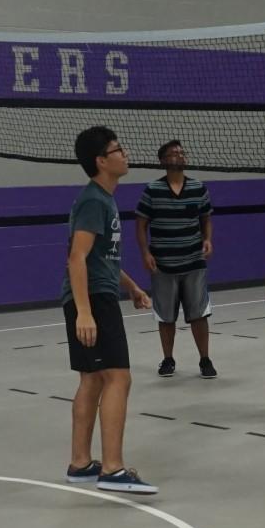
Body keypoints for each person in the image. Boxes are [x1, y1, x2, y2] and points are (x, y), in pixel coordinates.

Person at [62, 125, 157, 494]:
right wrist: (85, 311)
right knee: (119, 378)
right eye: (118, 149)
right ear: (102, 161)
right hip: (93, 300)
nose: (125, 153)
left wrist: (131, 287)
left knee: (92, 378)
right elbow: (77, 257)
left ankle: (81, 464)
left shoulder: (103, 199)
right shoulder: (93, 201)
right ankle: (113, 468)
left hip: (98, 294)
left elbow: (102, 259)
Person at [135, 139, 216, 380]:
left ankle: (205, 360)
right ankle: (168, 359)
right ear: (163, 160)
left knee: (199, 314)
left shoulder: (199, 187)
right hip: (163, 264)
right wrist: (145, 253)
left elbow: (206, 219)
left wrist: (208, 239)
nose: (179, 156)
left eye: (182, 152)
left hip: (194, 262)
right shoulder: (152, 190)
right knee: (166, 316)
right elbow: (141, 226)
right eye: (174, 153)